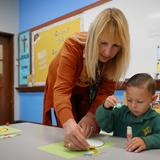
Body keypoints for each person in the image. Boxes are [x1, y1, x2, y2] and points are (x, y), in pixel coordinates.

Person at [43, 8, 130, 150]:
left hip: (85, 90)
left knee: (88, 125)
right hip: (61, 85)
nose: (108, 53)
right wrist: (69, 123)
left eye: (115, 46)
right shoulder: (72, 46)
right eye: (103, 43)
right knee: (69, 126)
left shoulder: (113, 61)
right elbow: (62, 91)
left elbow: (104, 93)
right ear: (94, 37)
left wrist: (91, 116)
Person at [96, 73, 160, 152]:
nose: (133, 106)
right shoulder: (120, 113)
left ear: (153, 99)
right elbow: (106, 127)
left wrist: (146, 142)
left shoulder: (155, 119)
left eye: (139, 101)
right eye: (129, 100)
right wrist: (105, 108)